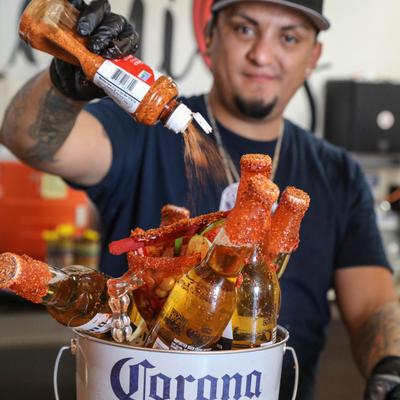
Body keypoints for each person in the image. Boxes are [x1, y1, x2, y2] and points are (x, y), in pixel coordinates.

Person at [1, 0, 400, 398]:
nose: (262, 53)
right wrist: (64, 84)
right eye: (244, 29)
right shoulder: (144, 129)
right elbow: (30, 140)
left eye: (289, 37)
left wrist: (391, 366)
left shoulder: (339, 174)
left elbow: (373, 306)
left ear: (313, 56)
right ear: (209, 37)